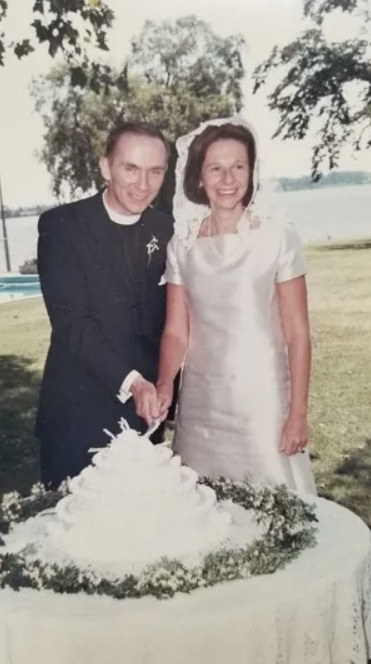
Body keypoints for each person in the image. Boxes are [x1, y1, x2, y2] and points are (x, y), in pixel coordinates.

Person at [151, 117, 317, 494]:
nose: (228, 179)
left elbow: (298, 333)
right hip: (201, 404)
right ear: (199, 177)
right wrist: (164, 383)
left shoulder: (277, 237)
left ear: (251, 171)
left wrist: (298, 413)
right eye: (216, 168)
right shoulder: (183, 245)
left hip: (263, 400)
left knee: (276, 507)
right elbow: (177, 331)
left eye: (238, 166)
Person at [36, 121, 174, 489]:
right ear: (105, 166)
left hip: (145, 419)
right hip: (76, 419)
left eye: (155, 171)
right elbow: (72, 324)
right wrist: (134, 383)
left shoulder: (168, 230)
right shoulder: (61, 227)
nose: (142, 185)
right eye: (130, 168)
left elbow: (175, 322)